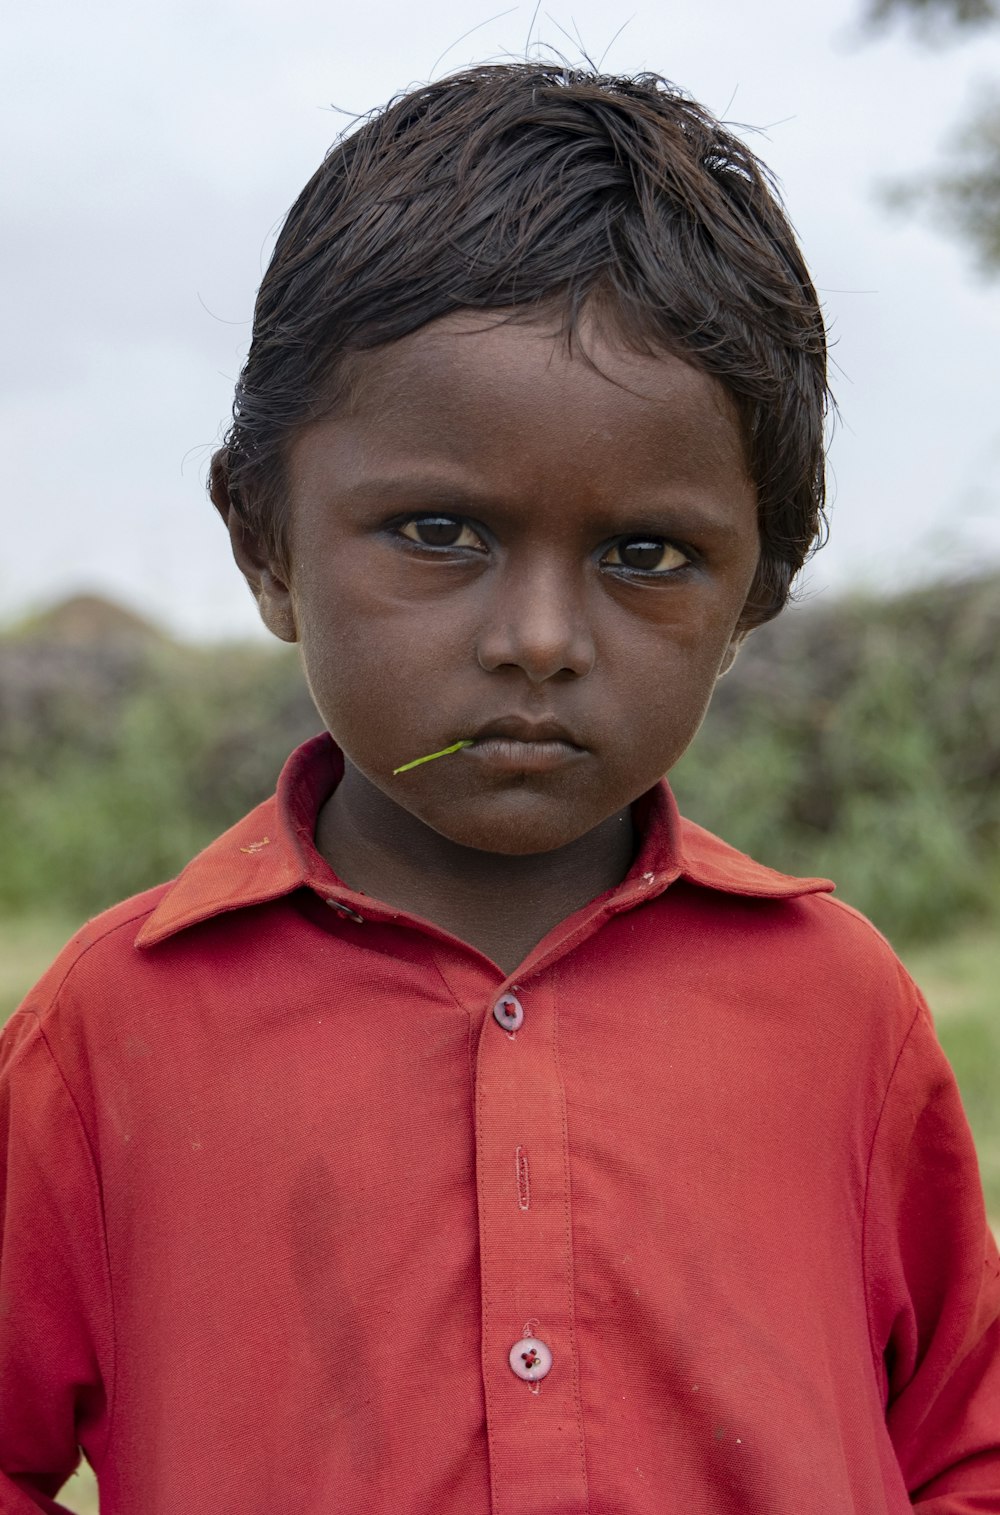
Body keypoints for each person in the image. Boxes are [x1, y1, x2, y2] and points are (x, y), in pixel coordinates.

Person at [1, 62, 997, 1515]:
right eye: (439, 530)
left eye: (646, 555)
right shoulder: (111, 1037)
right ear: (266, 542)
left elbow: (965, 1453)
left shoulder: (844, 1012)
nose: (538, 639)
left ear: (757, 590)